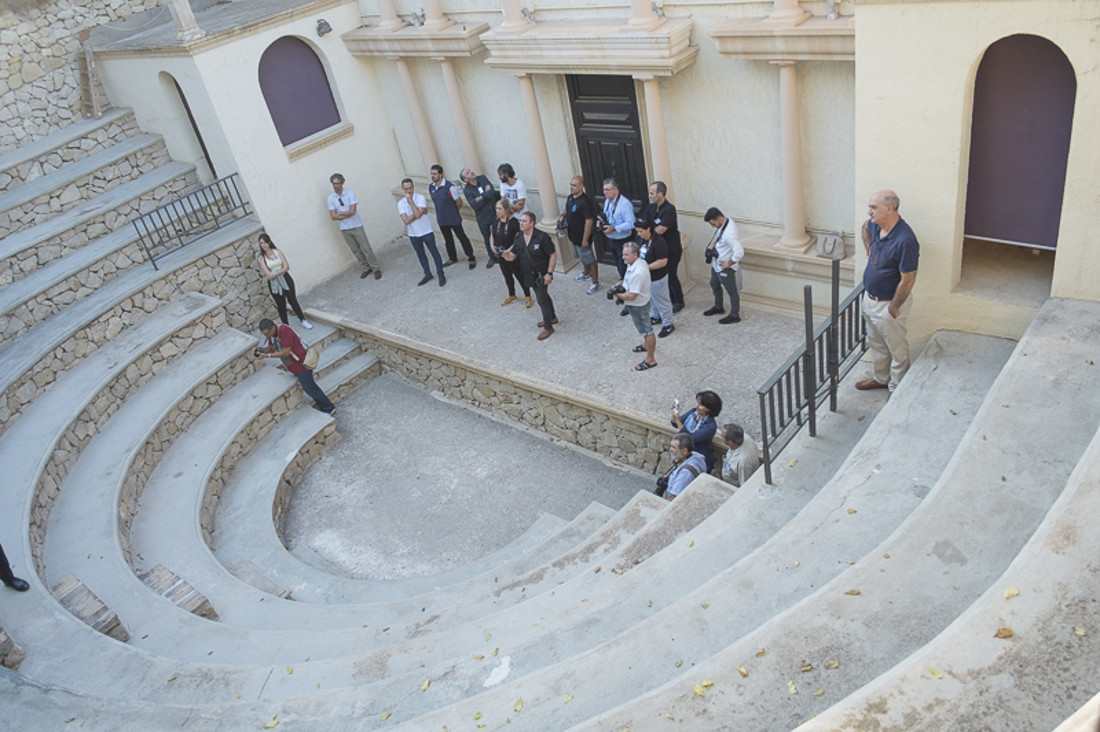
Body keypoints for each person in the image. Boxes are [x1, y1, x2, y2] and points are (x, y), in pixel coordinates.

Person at [859, 189, 919, 393]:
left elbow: (908, 279)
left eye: (873, 207)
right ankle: (881, 378)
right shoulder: (877, 226)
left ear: (889, 208)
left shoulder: (905, 240)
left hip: (888, 305)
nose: (869, 212)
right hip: (870, 299)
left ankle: (896, 389)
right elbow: (864, 227)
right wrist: (868, 245)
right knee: (876, 344)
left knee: (897, 351)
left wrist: (893, 308)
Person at [256, 318, 335, 415]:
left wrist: (267, 356)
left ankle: (329, 408)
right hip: (293, 366)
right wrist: (262, 350)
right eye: (265, 335)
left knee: (310, 389)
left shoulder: (284, 331)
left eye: (268, 333)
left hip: (301, 365)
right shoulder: (273, 334)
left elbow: (285, 352)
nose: (267, 336)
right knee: (310, 387)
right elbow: (272, 349)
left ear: (273, 327)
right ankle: (325, 406)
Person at [508, 211, 558, 340]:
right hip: (527, 274)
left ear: (532, 223)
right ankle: (552, 317)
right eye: (520, 221)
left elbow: (552, 254)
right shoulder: (518, 237)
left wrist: (549, 273)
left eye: (524, 221)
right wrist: (504, 255)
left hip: (541, 275)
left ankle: (548, 327)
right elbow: (513, 255)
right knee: (543, 296)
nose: (521, 223)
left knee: (541, 299)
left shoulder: (542, 237)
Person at [327, 173, 381, 280]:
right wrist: (345, 213)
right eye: (333, 184)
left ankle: (376, 268)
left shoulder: (350, 194)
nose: (335, 186)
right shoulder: (331, 198)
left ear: (342, 183)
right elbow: (333, 216)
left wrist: (340, 214)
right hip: (344, 228)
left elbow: (352, 212)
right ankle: (366, 267)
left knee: (366, 248)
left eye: (337, 183)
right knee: (355, 250)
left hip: (356, 225)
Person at [256, 233, 312, 330]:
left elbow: (286, 266)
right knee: (281, 305)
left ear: (269, 242)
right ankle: (286, 326)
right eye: (261, 243)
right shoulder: (261, 258)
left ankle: (303, 320)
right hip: (274, 283)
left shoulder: (277, 252)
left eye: (265, 242)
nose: (264, 245)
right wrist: (278, 272)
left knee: (293, 300)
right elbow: (268, 274)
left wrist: (276, 273)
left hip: (285, 278)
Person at [397, 178, 447, 287]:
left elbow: (419, 215)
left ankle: (441, 274)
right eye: (406, 189)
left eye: (410, 188)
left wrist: (411, 202)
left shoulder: (420, 198)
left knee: (434, 253)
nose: (409, 191)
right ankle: (427, 274)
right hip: (413, 234)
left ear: (413, 187)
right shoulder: (401, 203)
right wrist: (419, 212)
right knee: (421, 255)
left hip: (426, 231)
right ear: (403, 189)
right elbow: (406, 220)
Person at [615, 241, 656, 371]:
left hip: (638, 306)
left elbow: (632, 296)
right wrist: (621, 283)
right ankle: (645, 345)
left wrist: (616, 294)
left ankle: (650, 359)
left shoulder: (638, 272)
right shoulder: (637, 263)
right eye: (623, 254)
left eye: (626, 255)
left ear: (635, 255)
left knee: (647, 331)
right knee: (644, 330)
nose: (623, 257)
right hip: (638, 304)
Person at [644, 181, 684, 312]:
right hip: (657, 249)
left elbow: (661, 230)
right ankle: (665, 300)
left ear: (660, 194)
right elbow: (644, 225)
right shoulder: (650, 208)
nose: (649, 195)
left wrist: (650, 229)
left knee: (671, 275)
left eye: (652, 193)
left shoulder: (669, 209)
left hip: (671, 249)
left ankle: (678, 300)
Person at [428, 164, 477, 270]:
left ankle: (471, 257)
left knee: (462, 237)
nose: (432, 176)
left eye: (435, 174)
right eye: (432, 173)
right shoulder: (431, 187)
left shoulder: (450, 187)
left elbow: (458, 202)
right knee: (448, 240)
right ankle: (452, 257)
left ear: (441, 175)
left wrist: (453, 212)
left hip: (453, 218)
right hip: (442, 219)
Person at [702, 207, 745, 324]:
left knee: (732, 292)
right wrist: (715, 244)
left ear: (720, 219)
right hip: (717, 264)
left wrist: (729, 263)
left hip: (725, 267)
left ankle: (734, 315)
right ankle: (718, 306)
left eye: (713, 223)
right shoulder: (726, 222)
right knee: (714, 284)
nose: (712, 226)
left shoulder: (729, 234)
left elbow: (739, 252)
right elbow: (721, 237)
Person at [635, 218, 674, 338]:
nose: (639, 234)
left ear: (649, 229)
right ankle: (656, 316)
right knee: (651, 299)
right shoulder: (642, 240)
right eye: (637, 231)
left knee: (662, 301)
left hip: (658, 278)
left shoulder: (659, 242)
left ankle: (668, 324)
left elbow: (662, 261)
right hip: (647, 278)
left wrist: (646, 267)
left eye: (641, 231)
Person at [560, 175, 599, 294]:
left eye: (574, 185)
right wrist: (562, 216)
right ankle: (586, 273)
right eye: (571, 185)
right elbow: (566, 209)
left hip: (583, 238)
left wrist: (585, 239)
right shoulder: (570, 198)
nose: (571, 187)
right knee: (582, 257)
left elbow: (589, 222)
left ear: (582, 186)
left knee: (590, 259)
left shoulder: (585, 202)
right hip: (573, 236)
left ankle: (595, 282)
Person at [490, 199, 531, 307]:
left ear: (506, 209)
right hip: (501, 255)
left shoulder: (514, 222)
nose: (497, 211)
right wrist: (492, 246)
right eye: (496, 209)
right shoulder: (496, 221)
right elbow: (492, 235)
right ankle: (512, 295)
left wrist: (509, 251)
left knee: (519, 275)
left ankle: (528, 296)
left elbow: (518, 238)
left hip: (513, 255)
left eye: (500, 209)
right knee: (507, 276)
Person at [671, 390, 723, 473]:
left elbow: (691, 439)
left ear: (709, 409)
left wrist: (677, 420)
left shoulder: (710, 426)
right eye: (697, 403)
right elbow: (676, 424)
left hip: (697, 460)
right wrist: (674, 416)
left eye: (701, 405)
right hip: (684, 456)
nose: (696, 406)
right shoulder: (693, 413)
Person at [460, 167, 501, 268]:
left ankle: (501, 255)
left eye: (470, 171)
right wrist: (485, 195)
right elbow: (474, 205)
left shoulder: (482, 178)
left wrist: (480, 198)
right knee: (487, 238)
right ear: (466, 180)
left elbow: (492, 192)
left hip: (494, 213)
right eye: (468, 173)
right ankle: (492, 257)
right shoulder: (467, 190)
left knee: (499, 235)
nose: (471, 172)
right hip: (482, 217)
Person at [600, 178, 636, 280]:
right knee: (619, 266)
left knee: (624, 267)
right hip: (612, 239)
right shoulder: (607, 202)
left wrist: (615, 228)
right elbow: (607, 216)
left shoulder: (625, 204)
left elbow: (632, 223)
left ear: (616, 190)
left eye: (607, 190)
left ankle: (627, 288)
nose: (604, 192)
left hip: (623, 241)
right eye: (604, 190)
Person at [661, 433, 707, 501]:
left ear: (684, 451)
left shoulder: (686, 473)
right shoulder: (693, 456)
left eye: (673, 447)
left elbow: (673, 497)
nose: (670, 449)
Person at [719, 423, 760, 489]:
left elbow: (744, 485)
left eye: (722, 436)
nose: (720, 436)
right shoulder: (744, 437)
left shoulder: (743, 462)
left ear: (730, 442)